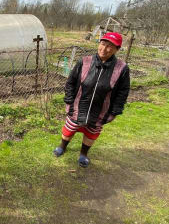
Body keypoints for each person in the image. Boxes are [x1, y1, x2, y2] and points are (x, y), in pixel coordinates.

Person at [53, 32, 130, 167]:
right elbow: (70, 82)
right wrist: (69, 100)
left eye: (110, 46)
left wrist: (115, 111)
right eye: (103, 44)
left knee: (91, 133)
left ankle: (83, 154)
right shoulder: (84, 61)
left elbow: (123, 92)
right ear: (99, 44)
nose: (104, 49)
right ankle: (62, 147)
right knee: (69, 129)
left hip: (101, 110)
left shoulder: (121, 68)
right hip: (77, 106)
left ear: (117, 49)